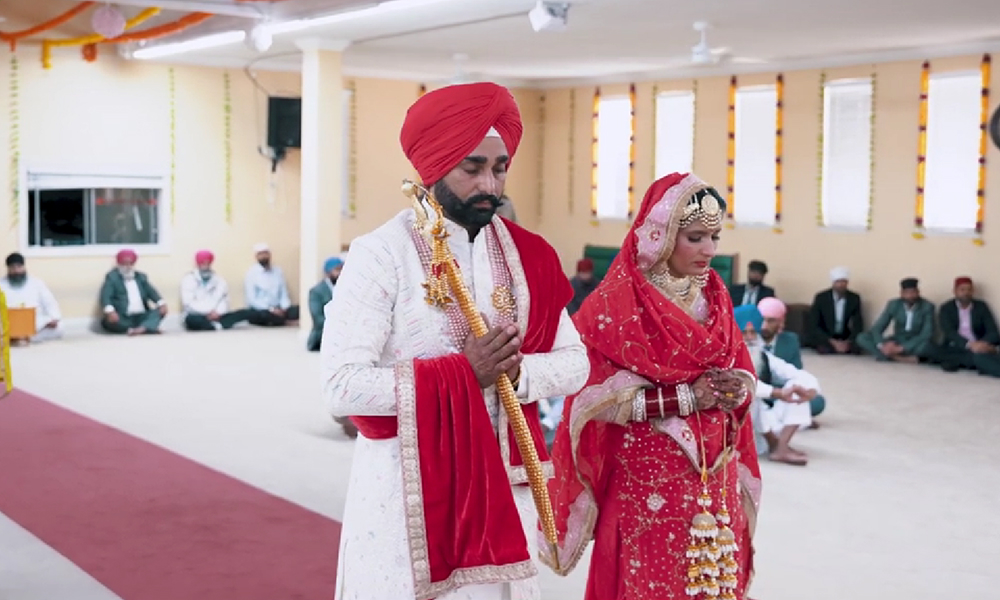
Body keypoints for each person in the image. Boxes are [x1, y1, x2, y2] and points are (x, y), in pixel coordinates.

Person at [321, 82, 590, 600]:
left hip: (504, 493)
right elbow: (341, 386)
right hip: (408, 494)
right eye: (472, 168)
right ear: (436, 166)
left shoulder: (528, 256)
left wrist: (518, 372)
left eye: (500, 168)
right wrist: (464, 374)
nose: (490, 184)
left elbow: (576, 363)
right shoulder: (381, 255)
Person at [545, 173, 761, 600]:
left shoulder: (714, 293)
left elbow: (739, 363)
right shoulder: (614, 302)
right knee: (651, 578)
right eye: (696, 238)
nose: (709, 250)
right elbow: (590, 397)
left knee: (715, 574)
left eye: (715, 237)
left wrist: (737, 387)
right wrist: (688, 397)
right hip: (647, 475)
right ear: (660, 235)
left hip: (715, 467)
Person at [737, 305, 819, 466]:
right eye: (744, 333)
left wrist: (810, 390)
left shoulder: (763, 356)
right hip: (742, 429)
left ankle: (781, 447)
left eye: (753, 333)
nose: (749, 338)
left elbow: (795, 373)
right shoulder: (726, 358)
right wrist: (778, 393)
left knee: (797, 385)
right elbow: (745, 383)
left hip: (768, 422)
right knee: (749, 395)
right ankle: (774, 444)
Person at [758, 297, 827, 419]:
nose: (764, 325)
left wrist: (785, 392)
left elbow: (796, 372)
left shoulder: (790, 340)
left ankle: (781, 414)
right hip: (757, 392)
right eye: (761, 320)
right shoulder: (750, 339)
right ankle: (792, 415)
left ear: (780, 322)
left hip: (783, 392)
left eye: (771, 321)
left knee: (817, 402)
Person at [856, 277, 935, 363]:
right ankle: (898, 357)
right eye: (907, 293)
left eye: (913, 292)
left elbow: (926, 334)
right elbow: (877, 328)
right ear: (901, 293)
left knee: (927, 347)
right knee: (862, 337)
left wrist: (902, 348)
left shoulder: (927, 306)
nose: (910, 296)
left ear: (918, 292)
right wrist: (882, 345)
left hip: (915, 342)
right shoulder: (894, 304)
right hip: (897, 339)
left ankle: (888, 356)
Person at [935, 276, 1000, 377]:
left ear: (973, 291)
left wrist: (982, 344)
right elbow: (949, 332)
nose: (966, 292)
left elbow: (993, 332)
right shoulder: (946, 308)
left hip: (980, 346)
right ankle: (977, 363)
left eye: (969, 289)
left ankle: (972, 362)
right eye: (962, 289)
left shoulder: (981, 306)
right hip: (957, 346)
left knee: (979, 356)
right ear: (954, 291)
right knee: (932, 349)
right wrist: (970, 345)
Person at [99, 249, 166, 335]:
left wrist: (161, 303)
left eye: (130, 263)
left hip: (141, 315)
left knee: (157, 312)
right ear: (119, 264)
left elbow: (152, 292)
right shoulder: (112, 278)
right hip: (123, 317)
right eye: (124, 263)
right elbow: (106, 297)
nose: (128, 266)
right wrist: (110, 312)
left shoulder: (141, 277)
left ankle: (142, 328)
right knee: (108, 323)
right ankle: (148, 327)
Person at [180, 250, 250, 331]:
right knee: (191, 320)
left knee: (245, 313)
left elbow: (224, 300)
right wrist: (208, 312)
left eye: (207, 263)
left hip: (217, 315)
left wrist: (218, 312)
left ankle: (213, 325)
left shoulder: (219, 280)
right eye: (202, 263)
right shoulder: (188, 279)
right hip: (198, 314)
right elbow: (188, 303)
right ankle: (218, 325)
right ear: (197, 264)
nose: (205, 265)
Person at [0, 252, 62, 342]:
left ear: (23, 267)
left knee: (59, 328)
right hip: (10, 323)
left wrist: (54, 318)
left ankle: (23, 338)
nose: (16, 271)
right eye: (13, 268)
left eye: (19, 267)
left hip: (35, 323)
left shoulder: (37, 283)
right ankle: (19, 337)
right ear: (8, 269)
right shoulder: (1, 285)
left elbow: (50, 303)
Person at [806, 266, 863, 354]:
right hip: (826, 335)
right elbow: (813, 324)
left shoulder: (854, 298)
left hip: (844, 336)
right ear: (833, 283)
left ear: (847, 283)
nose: (840, 285)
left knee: (859, 343)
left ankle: (842, 348)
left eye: (843, 282)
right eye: (838, 282)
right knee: (813, 339)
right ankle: (833, 347)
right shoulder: (821, 297)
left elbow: (858, 323)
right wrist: (832, 341)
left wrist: (848, 341)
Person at [243, 243, 299, 326]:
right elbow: (252, 300)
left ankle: (281, 320)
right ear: (256, 257)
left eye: (266, 253)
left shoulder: (278, 271)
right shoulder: (251, 274)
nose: (264, 256)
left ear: (270, 255)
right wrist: (272, 310)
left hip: (278, 308)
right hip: (262, 310)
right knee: (261, 315)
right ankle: (284, 321)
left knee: (300, 310)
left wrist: (284, 308)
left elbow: (283, 293)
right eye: (260, 254)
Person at [307, 256, 343, 352]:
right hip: (322, 337)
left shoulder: (346, 289)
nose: (340, 273)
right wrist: (340, 326)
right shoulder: (316, 291)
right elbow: (318, 318)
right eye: (337, 269)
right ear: (328, 272)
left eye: (342, 269)